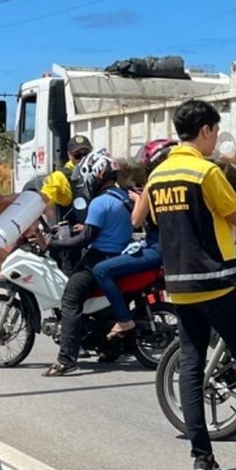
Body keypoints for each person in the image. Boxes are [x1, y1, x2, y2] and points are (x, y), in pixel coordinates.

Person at [146, 99, 236, 470]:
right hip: (216, 282)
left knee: (191, 366)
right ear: (205, 131)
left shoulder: (158, 175)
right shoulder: (205, 172)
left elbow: (158, 221)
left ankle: (202, 459)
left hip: (179, 287)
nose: (215, 139)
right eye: (214, 132)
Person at [42, 148, 135, 377]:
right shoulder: (123, 196)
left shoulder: (99, 203)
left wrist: (50, 245)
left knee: (71, 300)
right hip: (120, 255)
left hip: (99, 257)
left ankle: (66, 359)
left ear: (96, 176)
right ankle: (110, 349)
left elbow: (84, 239)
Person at [91, 139, 174, 340]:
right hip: (170, 248)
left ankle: (124, 320)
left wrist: (139, 200)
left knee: (101, 270)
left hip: (156, 249)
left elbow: (136, 221)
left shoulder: (152, 185)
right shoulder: (174, 183)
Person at [25, 135, 94, 274]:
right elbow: (43, 200)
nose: (82, 158)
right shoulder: (59, 176)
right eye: (77, 155)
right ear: (69, 155)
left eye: (86, 154)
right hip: (72, 240)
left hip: (95, 235)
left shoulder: (98, 172)